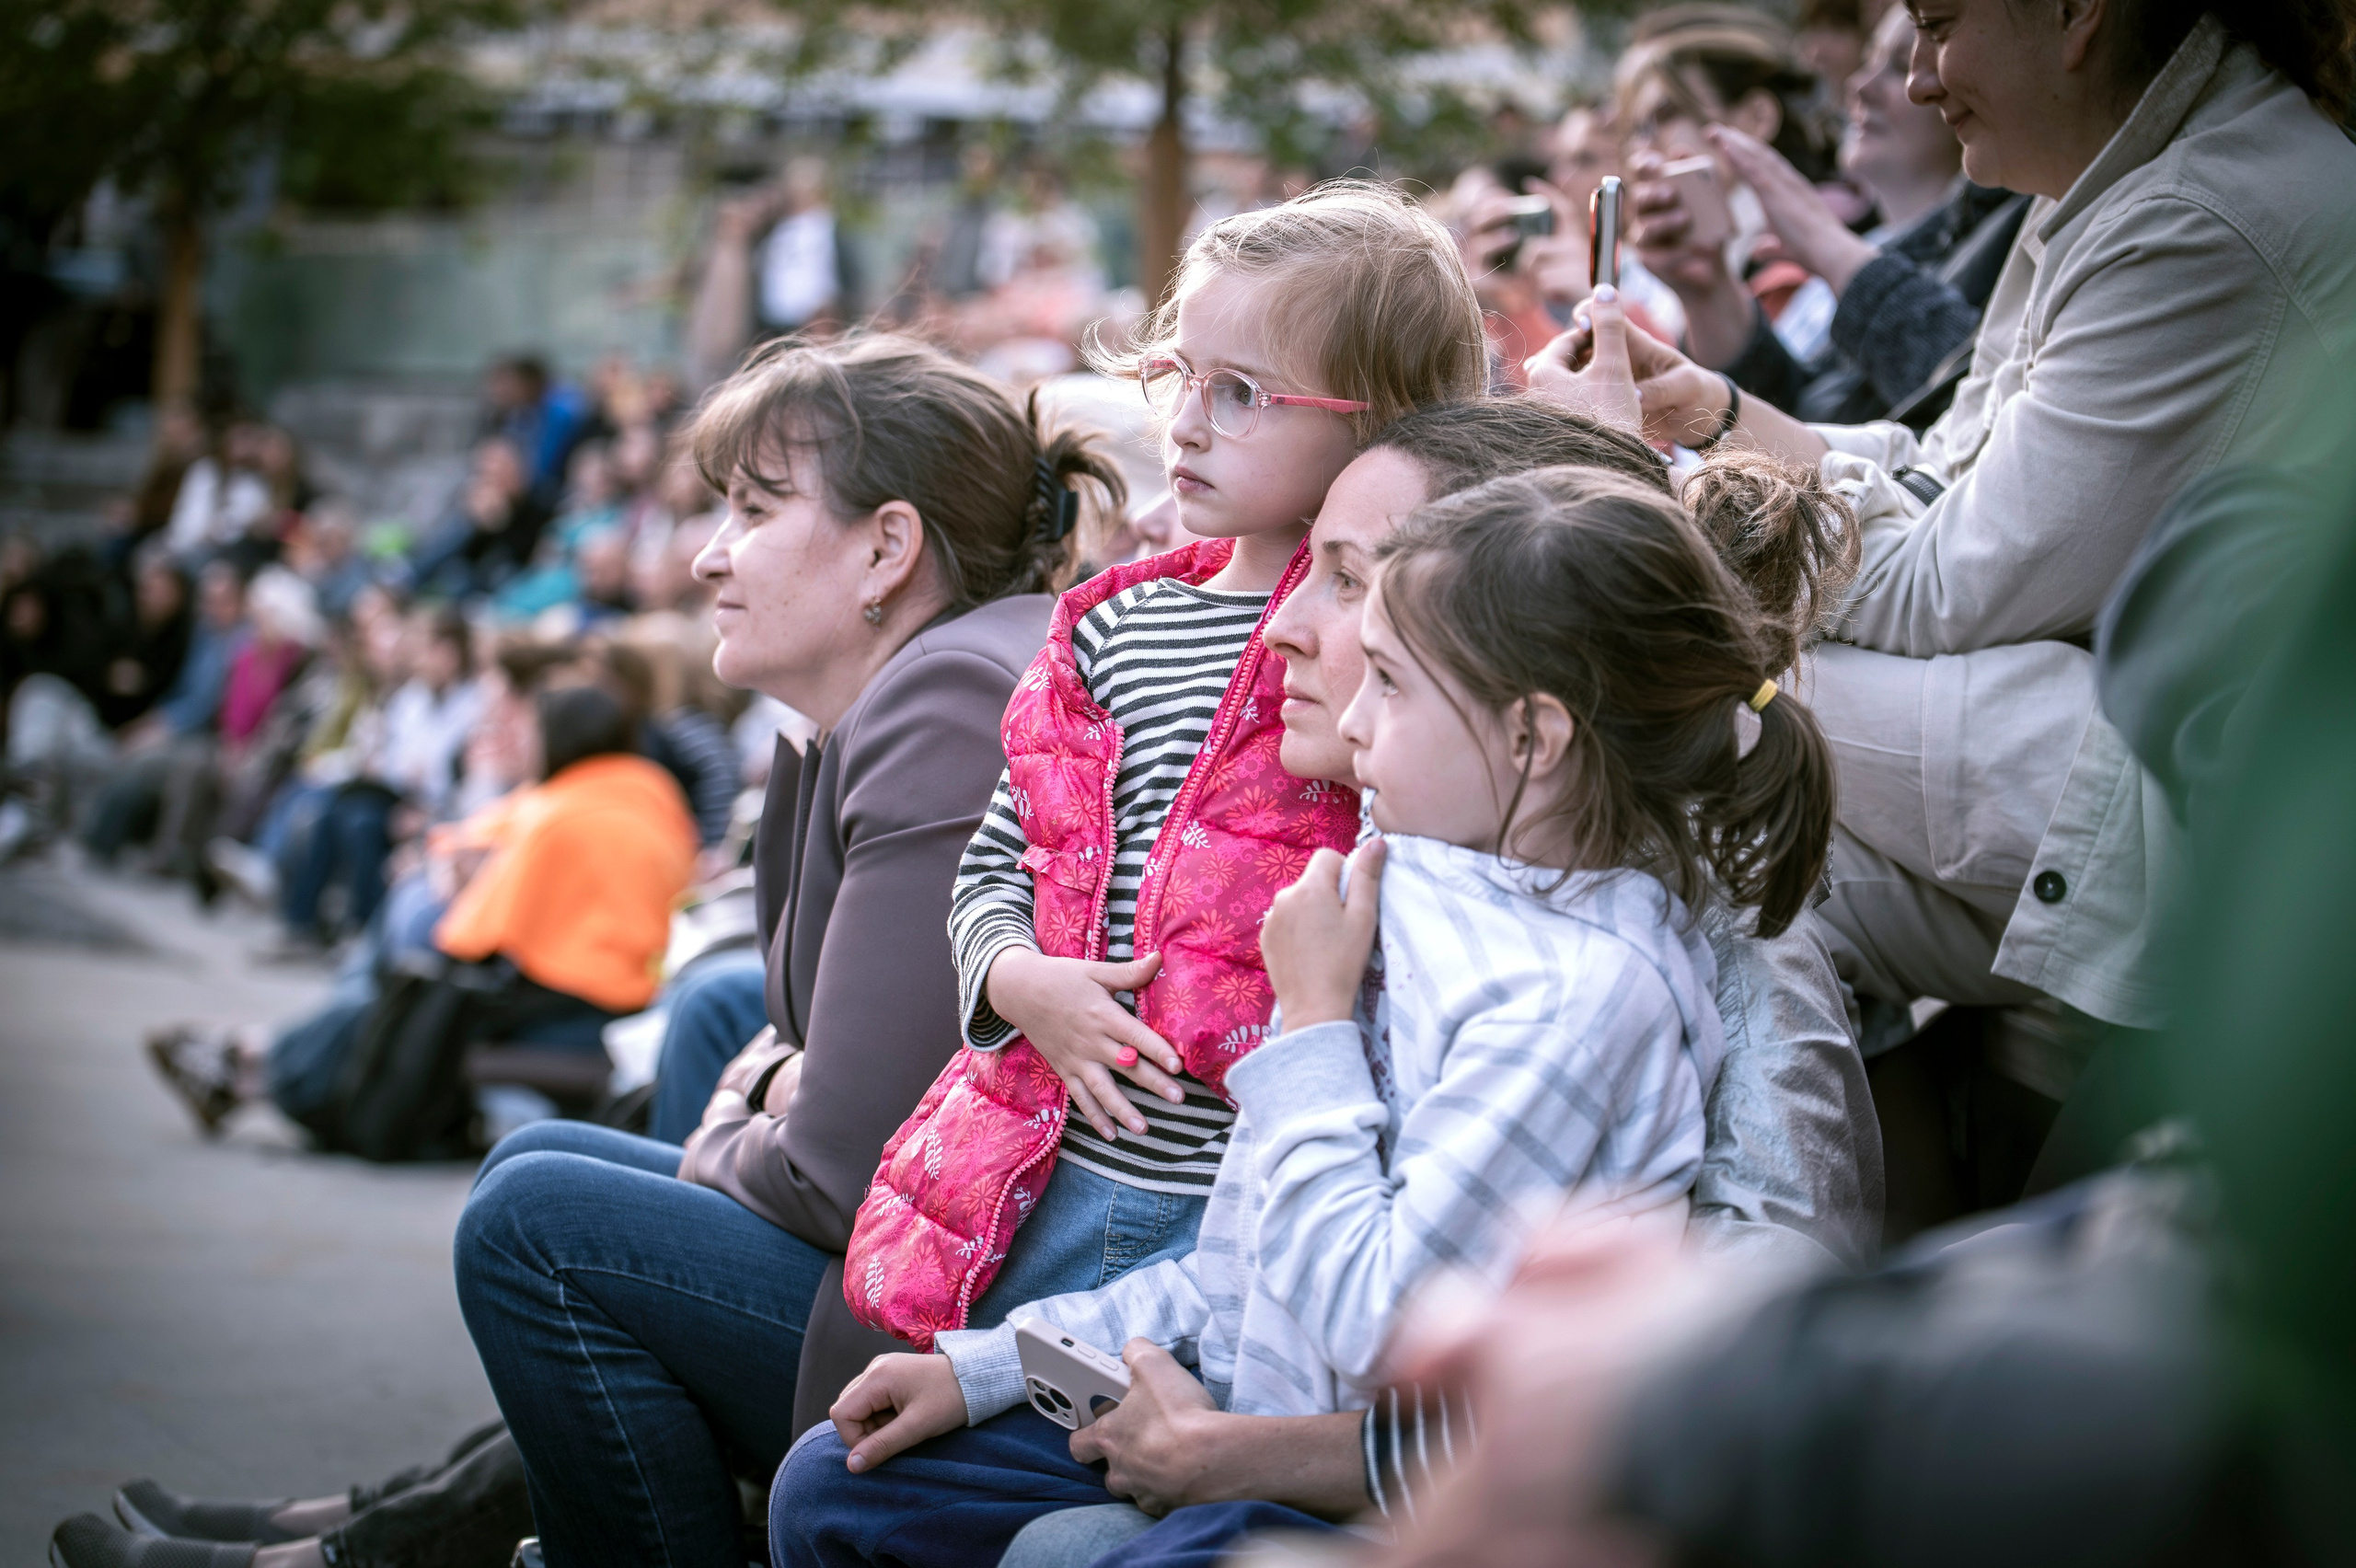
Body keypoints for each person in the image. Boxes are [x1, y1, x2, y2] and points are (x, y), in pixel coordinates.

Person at [769, 451, 1851, 1568]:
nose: (1354, 708)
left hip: (1372, 1508)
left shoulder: (1573, 1001)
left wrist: (1318, 1028)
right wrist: (988, 1365)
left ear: (1532, 739)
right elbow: (1240, 1265)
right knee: (839, 1487)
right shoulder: (1393, 890)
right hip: (1241, 1405)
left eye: (1390, 680)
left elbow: (1381, 1330)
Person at [1532, 3, 2356, 1050]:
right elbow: (1942, 480)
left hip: (2204, 833)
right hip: (2110, 785)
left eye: (1935, 23)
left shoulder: (2202, 216)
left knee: (1630, 665)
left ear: (2075, 16)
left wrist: (1632, 477)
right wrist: (1712, 418)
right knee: (1693, 891)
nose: (1920, 78)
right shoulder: (2122, 177)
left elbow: (1941, 588)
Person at [447, 333, 1126, 1568]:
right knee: (550, 1156)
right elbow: (799, 1030)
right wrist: (766, 1097)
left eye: (754, 511)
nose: (707, 554)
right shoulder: (908, 681)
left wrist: (720, 1138)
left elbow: (836, 1170)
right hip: (956, 1267)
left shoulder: (952, 698)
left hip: (965, 1336)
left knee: (531, 1219)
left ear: (888, 547)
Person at [842, 181, 1489, 1353]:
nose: (1183, 424)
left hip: (1227, 1201)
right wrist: (1012, 981)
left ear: (1384, 419)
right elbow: (1002, 853)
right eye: (1176, 373)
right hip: (1037, 1152)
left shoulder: (1386, 646)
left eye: (1238, 393)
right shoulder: (1110, 626)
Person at [1694, 6, 2032, 426]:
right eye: (1870, 61)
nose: (1859, 86)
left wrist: (1829, 246)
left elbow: (1978, 408)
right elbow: (1800, 412)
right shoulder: (1879, 249)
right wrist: (1702, 288)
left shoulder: (2026, 233)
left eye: (1896, 66)